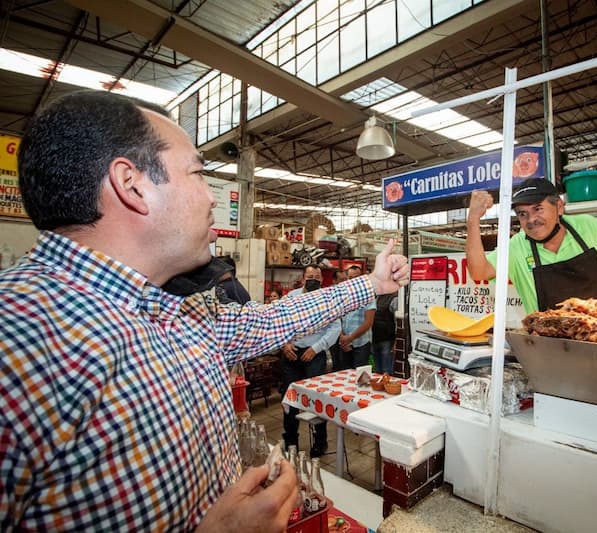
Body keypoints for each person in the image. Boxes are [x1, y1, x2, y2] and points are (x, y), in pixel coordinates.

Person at [0, 90, 410, 532]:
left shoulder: (175, 309)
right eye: (198, 173)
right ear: (131, 184)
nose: (213, 197)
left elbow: (271, 320)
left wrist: (371, 284)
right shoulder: (19, 341)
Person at [466, 178, 597, 313]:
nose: (531, 220)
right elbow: (478, 271)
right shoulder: (516, 247)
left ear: (559, 207)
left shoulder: (589, 227)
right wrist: (473, 219)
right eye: (522, 214)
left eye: (538, 209)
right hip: (552, 347)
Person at [280, 265, 339, 458]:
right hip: (292, 352)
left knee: (316, 401)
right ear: (303, 278)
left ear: (322, 280)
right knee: (290, 400)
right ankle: (290, 442)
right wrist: (285, 344)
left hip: (315, 352)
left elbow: (334, 329)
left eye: (316, 277)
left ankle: (320, 442)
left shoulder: (329, 299)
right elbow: (278, 323)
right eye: (309, 276)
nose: (312, 279)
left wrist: (316, 348)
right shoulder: (290, 298)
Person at [337, 265, 376, 369]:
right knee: (344, 375)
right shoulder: (343, 295)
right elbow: (337, 319)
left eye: (356, 277)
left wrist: (350, 338)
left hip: (361, 343)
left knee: (360, 377)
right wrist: (342, 338)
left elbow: (368, 322)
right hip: (344, 343)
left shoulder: (369, 295)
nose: (353, 280)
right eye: (350, 278)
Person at [371, 291, 398, 374]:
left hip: (387, 340)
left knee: (387, 372)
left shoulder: (394, 298)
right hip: (374, 338)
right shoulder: (375, 296)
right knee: (377, 372)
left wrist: (396, 341)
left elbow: (398, 321)